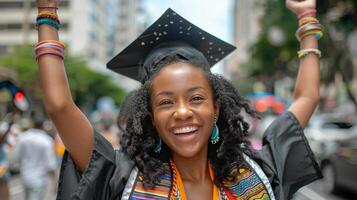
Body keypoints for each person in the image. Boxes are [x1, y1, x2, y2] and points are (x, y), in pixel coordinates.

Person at [35, 0, 322, 199]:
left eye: (196, 98)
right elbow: (60, 107)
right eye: (166, 102)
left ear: (216, 107)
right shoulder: (122, 179)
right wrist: (47, 11)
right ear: (151, 116)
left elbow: (306, 98)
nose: (183, 112)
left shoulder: (256, 173)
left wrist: (306, 16)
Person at [10, 119, 58, 200]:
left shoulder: (23, 137)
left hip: (25, 177)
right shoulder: (46, 140)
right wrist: (54, 182)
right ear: (43, 126)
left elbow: (15, 157)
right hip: (40, 179)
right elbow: (51, 164)